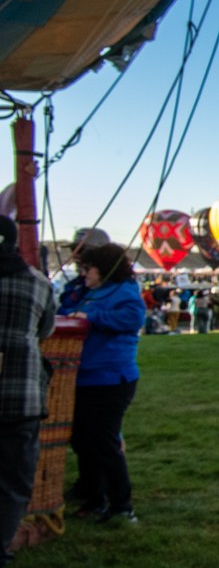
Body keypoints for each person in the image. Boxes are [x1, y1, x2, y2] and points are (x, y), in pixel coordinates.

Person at [60, 244, 143, 524]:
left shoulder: (125, 290)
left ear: (104, 268)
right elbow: (67, 307)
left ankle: (122, 507)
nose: (84, 274)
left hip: (109, 378)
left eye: (88, 269)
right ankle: (94, 498)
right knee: (82, 441)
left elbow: (133, 318)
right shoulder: (91, 291)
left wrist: (91, 318)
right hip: (84, 377)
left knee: (104, 444)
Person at [0, 216, 57, 564]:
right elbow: (46, 329)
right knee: (13, 483)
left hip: (20, 395)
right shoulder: (37, 282)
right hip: (21, 396)